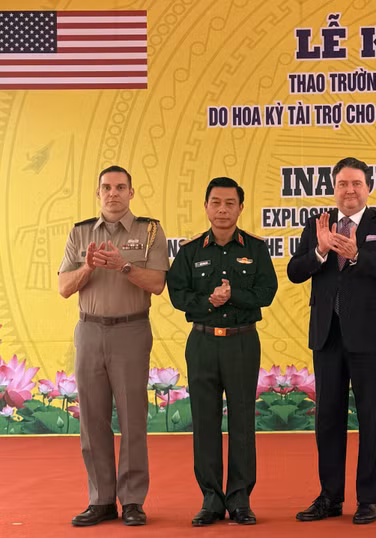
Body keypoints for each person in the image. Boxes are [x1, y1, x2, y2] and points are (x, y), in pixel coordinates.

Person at [288, 157, 376, 525]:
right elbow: (294, 271)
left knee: (371, 419)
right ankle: (330, 496)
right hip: (327, 336)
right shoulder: (317, 225)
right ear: (334, 188)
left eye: (356, 183)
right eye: (342, 184)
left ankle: (367, 498)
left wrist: (357, 255)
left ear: (368, 187)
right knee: (327, 419)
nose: (349, 190)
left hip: (370, 337)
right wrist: (320, 251)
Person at [58, 165, 169, 527]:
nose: (113, 193)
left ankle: (133, 500)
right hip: (89, 332)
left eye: (121, 187)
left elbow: (156, 284)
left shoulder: (149, 231)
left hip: (131, 331)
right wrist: (88, 268)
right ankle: (101, 499)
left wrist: (123, 266)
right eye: (107, 187)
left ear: (131, 193)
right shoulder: (80, 233)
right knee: (92, 420)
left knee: (133, 419)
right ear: (98, 192)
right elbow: (64, 287)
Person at [167, 177, 277, 526]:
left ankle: (240, 498)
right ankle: (211, 500)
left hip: (242, 341)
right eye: (216, 202)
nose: (223, 209)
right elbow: (177, 294)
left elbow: (266, 291)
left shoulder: (256, 249)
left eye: (230, 203)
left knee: (243, 421)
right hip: (202, 342)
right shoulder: (190, 250)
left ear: (241, 208)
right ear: (206, 206)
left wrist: (233, 296)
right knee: (205, 421)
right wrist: (208, 302)